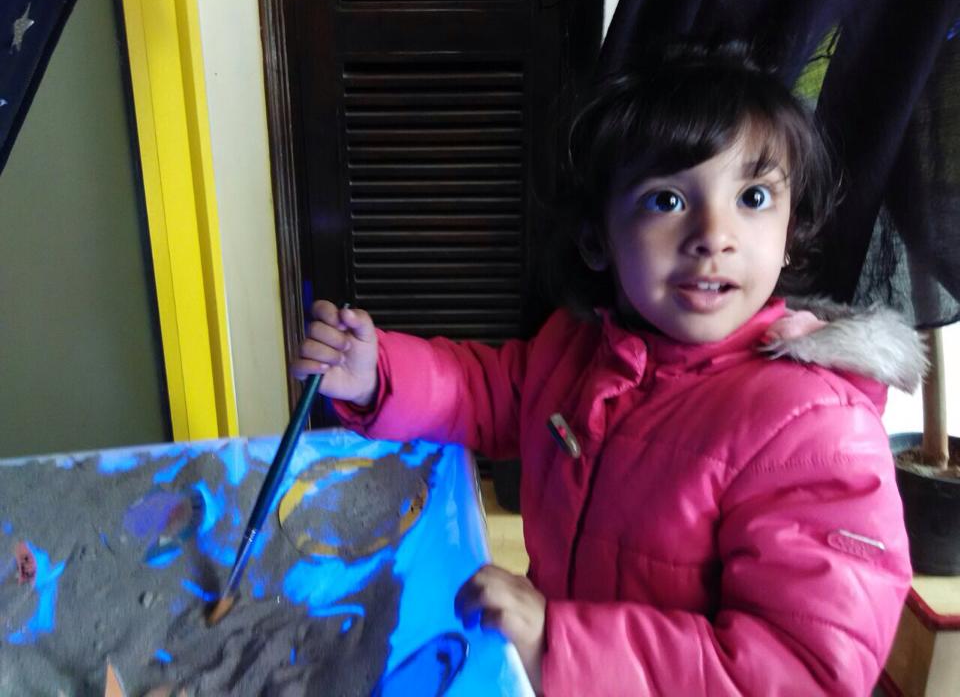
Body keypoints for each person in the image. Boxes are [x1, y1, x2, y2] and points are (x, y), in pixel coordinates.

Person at [293, 42, 925, 695]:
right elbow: (485, 392)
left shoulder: (817, 431)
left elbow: (803, 673)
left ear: (792, 231)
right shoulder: (581, 346)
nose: (715, 235)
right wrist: (378, 374)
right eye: (667, 201)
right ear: (598, 238)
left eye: (754, 196)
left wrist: (557, 642)